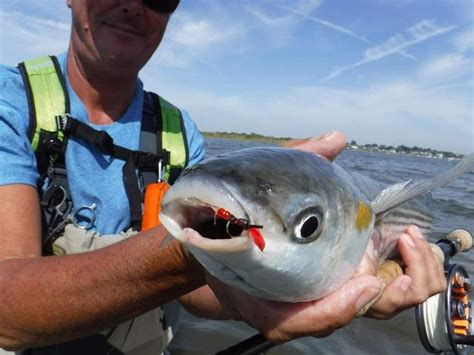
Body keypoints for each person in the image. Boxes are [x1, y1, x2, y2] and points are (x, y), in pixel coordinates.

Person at [0, 1, 446, 354]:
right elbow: (7, 312)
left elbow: (201, 296)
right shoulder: (10, 101)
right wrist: (188, 255)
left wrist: (292, 290)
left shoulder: (178, 129)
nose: (135, 6)